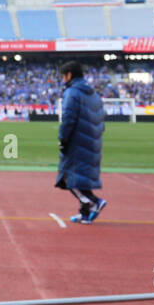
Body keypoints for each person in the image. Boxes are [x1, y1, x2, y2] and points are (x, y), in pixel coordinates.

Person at [56, 60, 106, 223]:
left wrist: (63, 139)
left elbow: (68, 119)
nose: (63, 79)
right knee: (83, 178)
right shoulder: (93, 93)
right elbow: (101, 117)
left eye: (64, 76)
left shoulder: (72, 93)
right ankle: (86, 214)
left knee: (67, 177)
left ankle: (93, 202)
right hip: (93, 141)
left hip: (77, 142)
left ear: (69, 75)